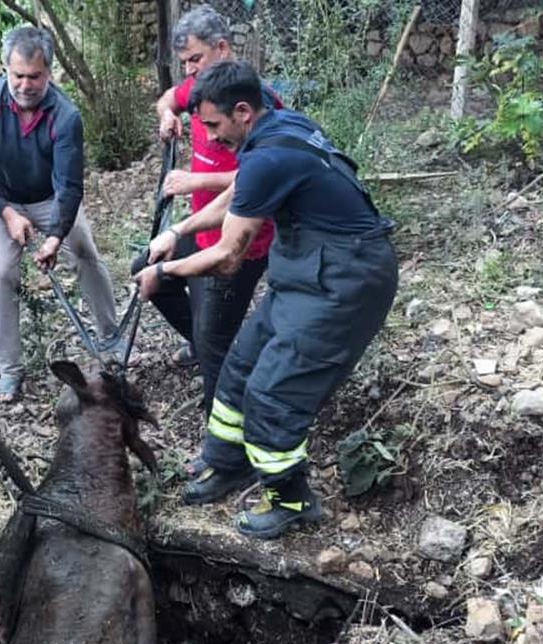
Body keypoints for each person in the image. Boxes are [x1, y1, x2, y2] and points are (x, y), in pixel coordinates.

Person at [133, 60, 398, 539]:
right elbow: (239, 193)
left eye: (213, 125)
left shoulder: (270, 155)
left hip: (347, 281)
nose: (209, 138)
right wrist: (177, 230)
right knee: (239, 366)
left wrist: (164, 270)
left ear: (243, 112)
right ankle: (228, 463)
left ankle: (292, 499)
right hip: (307, 272)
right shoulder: (277, 125)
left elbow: (229, 256)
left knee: (273, 394)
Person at [135, 4, 279, 441]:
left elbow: (259, 174)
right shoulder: (198, 88)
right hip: (202, 227)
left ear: (222, 48)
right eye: (185, 64)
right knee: (147, 269)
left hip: (240, 240)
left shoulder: (255, 103)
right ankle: (206, 341)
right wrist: (166, 114)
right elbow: (169, 98)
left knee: (215, 340)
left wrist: (194, 179)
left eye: (196, 59)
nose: (190, 71)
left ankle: (222, 442)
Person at [0, 25, 121, 402]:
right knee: (3, 273)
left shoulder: (66, 115)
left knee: (84, 252)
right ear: (6, 69)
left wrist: (54, 237)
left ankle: (111, 341)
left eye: (34, 76)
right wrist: (7, 214)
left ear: (49, 72)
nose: (25, 84)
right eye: (17, 75)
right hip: (1, 199)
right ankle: (10, 370)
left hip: (50, 196)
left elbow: (69, 186)